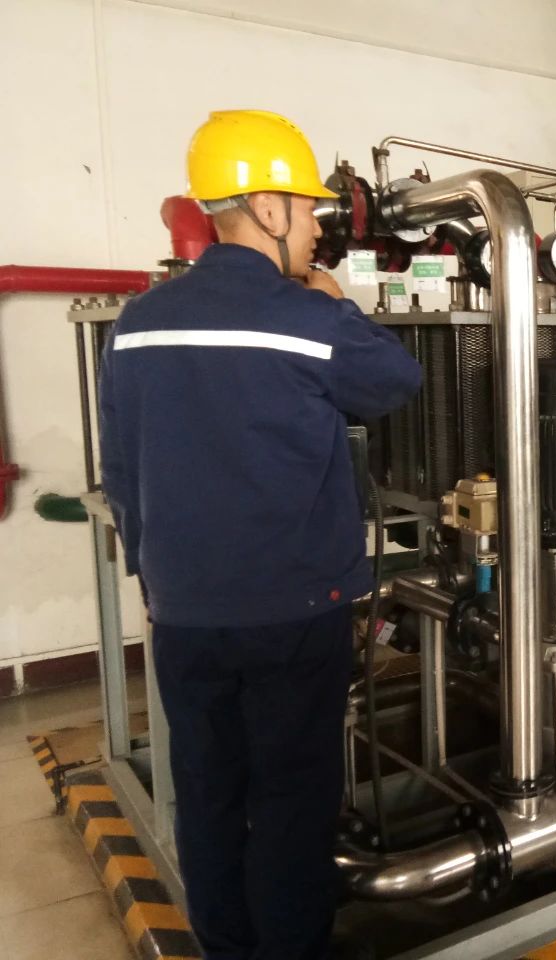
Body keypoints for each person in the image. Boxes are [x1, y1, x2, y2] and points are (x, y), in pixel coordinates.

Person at [98, 110, 422, 960]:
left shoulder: (136, 323)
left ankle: (225, 948)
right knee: (289, 797)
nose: (316, 230)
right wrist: (339, 301)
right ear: (269, 209)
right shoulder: (307, 317)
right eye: (309, 211)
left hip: (184, 612)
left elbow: (121, 469)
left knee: (207, 793)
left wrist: (156, 578)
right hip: (293, 611)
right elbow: (397, 380)